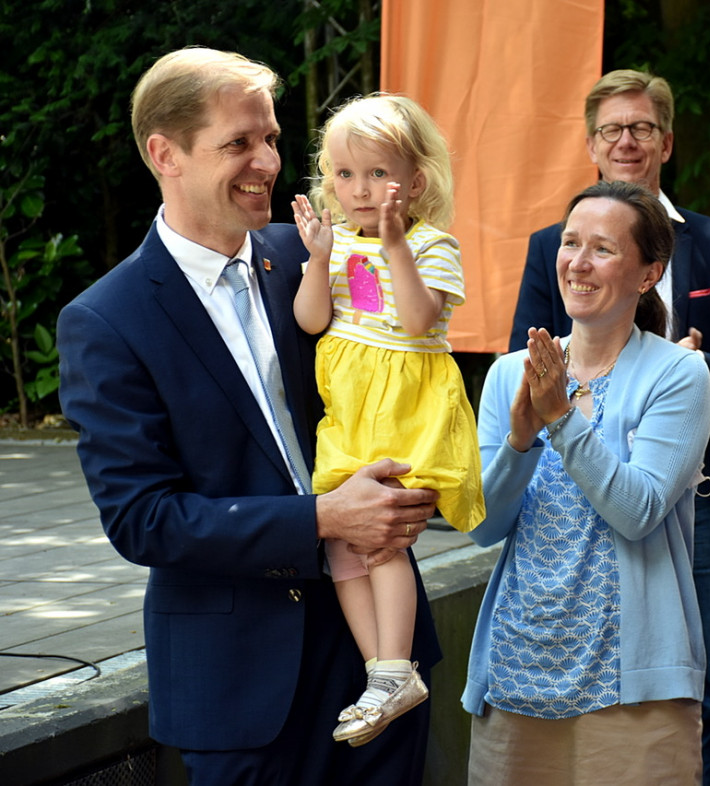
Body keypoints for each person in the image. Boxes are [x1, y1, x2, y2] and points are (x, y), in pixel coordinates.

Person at [57, 47, 441, 785]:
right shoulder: (106, 320)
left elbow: (401, 369)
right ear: (164, 154)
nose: (267, 161)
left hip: (383, 659)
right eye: (238, 143)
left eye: (270, 138)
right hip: (238, 687)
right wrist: (325, 519)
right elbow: (145, 519)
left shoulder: (315, 254)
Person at [509, 69, 710, 784]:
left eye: (642, 128)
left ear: (668, 142)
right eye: (611, 130)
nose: (626, 141)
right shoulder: (549, 245)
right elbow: (523, 358)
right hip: (574, 500)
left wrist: (690, 370)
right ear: (591, 144)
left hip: (698, 494)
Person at [464, 181, 710, 784]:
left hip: (633, 683)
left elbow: (638, 511)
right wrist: (522, 441)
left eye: (602, 249)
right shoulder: (508, 375)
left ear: (648, 273)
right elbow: (483, 527)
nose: (578, 262)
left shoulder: (679, 374)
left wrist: (561, 422)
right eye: (570, 243)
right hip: (517, 667)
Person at [291, 93, 483, 746]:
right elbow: (312, 320)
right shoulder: (337, 241)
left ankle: (394, 667)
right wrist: (317, 259)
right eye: (344, 175)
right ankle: (384, 673)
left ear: (416, 182)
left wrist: (396, 244)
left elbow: (419, 317)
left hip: (405, 409)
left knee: (382, 538)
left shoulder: (433, 244)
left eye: (377, 174)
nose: (359, 189)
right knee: (342, 547)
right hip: (349, 411)